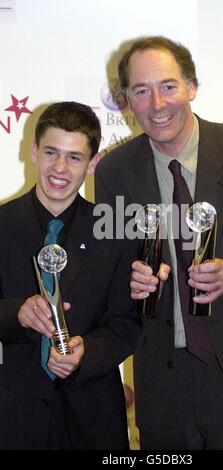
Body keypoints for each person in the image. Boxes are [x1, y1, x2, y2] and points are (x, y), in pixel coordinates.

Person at [95, 36, 223, 450]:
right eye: (141, 91)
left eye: (168, 86)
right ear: (127, 101)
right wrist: (129, 284)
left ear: (192, 88)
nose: (157, 103)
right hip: (164, 389)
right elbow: (111, 279)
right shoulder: (114, 171)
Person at [0, 101, 141, 450]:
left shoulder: (117, 232)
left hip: (94, 420)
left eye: (74, 157)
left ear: (92, 163)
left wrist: (87, 352)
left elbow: (128, 325)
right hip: (13, 417)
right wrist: (16, 313)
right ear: (33, 151)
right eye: (51, 152)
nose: (59, 168)